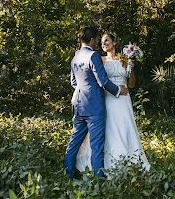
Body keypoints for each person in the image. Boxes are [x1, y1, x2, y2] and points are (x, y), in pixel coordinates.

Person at [76, 32, 150, 173]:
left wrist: (132, 68)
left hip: (123, 100)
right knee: (109, 129)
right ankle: (107, 163)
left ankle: (129, 161)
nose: (103, 44)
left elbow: (132, 84)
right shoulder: (100, 60)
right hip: (108, 98)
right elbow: (100, 80)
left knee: (125, 128)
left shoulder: (124, 60)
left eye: (107, 41)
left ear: (114, 42)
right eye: (102, 42)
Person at [64, 26, 129, 179]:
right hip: (94, 107)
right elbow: (103, 81)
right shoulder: (93, 56)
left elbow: (74, 82)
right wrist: (119, 90)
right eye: (96, 40)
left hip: (79, 105)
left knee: (74, 144)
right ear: (92, 40)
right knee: (97, 146)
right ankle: (99, 180)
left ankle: (69, 176)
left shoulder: (75, 57)